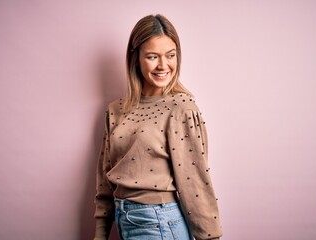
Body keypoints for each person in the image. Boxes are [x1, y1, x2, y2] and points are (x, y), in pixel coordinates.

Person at [94, 14, 223, 240]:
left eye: (170, 56)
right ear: (136, 58)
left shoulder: (182, 108)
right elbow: (105, 179)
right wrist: (100, 233)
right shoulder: (115, 110)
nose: (163, 65)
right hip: (125, 221)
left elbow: (195, 182)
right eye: (153, 56)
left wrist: (210, 237)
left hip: (160, 223)